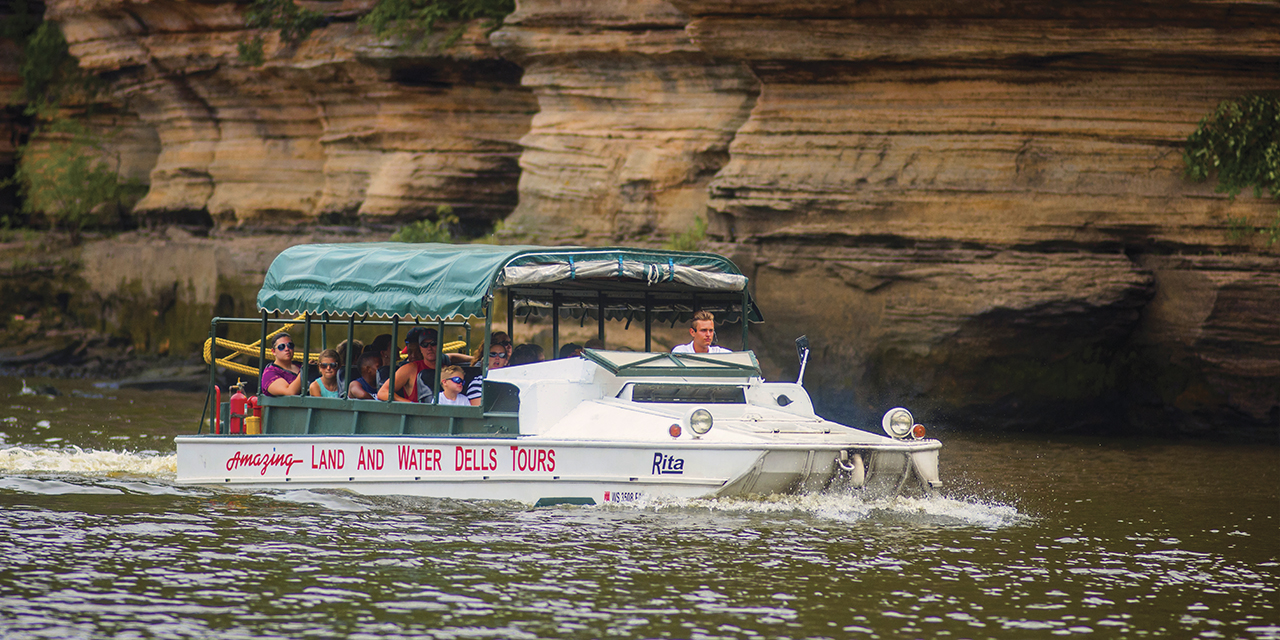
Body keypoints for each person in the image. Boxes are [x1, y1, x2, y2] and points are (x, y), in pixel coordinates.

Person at [378, 328, 435, 402]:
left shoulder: (446, 367)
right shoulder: (409, 369)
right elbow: (382, 393)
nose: (413, 356)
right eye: (409, 352)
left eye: (417, 351)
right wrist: (410, 404)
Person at [466, 340, 509, 406]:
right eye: (492, 354)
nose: (497, 358)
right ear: (485, 359)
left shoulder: (511, 381)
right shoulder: (478, 383)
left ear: (506, 361)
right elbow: (478, 412)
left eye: (501, 355)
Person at [261, 333, 304, 397]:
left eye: (290, 345)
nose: (287, 349)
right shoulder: (269, 374)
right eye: (281, 347)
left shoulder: (299, 365)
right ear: (273, 351)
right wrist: (304, 371)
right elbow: (290, 392)